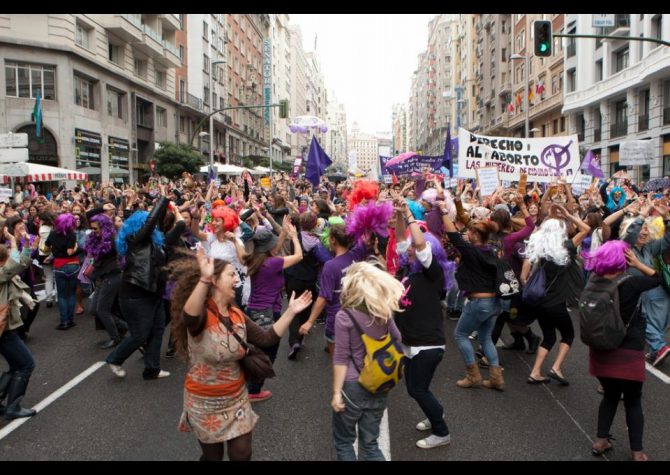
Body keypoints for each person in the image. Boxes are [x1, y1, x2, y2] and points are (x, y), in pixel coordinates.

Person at [169, 248, 312, 461]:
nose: (237, 278)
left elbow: (267, 338)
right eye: (231, 274)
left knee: (243, 453)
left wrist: (290, 312)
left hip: (236, 398)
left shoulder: (237, 314)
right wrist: (204, 280)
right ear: (215, 282)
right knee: (212, 458)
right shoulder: (201, 315)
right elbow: (189, 317)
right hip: (204, 402)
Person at [584, 240, 660, 461]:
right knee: (633, 400)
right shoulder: (631, 283)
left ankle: (601, 440)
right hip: (628, 350)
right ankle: (637, 452)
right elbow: (656, 278)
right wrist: (637, 263)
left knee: (609, 396)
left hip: (600, 349)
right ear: (624, 259)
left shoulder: (592, 281)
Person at [394, 201, 454, 448]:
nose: (409, 248)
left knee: (417, 390)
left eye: (415, 248)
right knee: (418, 388)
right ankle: (435, 413)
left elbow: (419, 244)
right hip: (411, 341)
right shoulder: (410, 270)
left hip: (427, 344)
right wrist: (399, 215)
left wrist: (408, 213)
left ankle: (441, 432)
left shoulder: (434, 274)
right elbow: (401, 239)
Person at [331, 261, 405, 460]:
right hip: (378, 383)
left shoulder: (344, 316)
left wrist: (337, 392)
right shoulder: (383, 311)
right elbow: (397, 338)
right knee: (370, 444)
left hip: (352, 385)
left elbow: (340, 357)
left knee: (344, 442)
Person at [105, 192, 171, 380]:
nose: (152, 227)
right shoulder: (135, 240)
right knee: (140, 335)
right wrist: (163, 199)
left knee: (158, 330)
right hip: (136, 295)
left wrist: (165, 205)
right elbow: (152, 222)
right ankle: (114, 359)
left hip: (153, 293)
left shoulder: (152, 242)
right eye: (147, 224)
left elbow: (158, 221)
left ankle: (152, 369)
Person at [522, 208, 590, 385]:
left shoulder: (540, 250)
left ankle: (535, 372)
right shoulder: (565, 248)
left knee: (549, 337)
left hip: (540, 303)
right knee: (568, 335)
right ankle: (556, 368)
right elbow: (585, 229)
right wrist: (568, 215)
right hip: (556, 304)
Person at [442, 211, 503, 390]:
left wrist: (443, 211)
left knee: (460, 335)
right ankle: (496, 378)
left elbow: (453, 235)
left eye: (470, 233)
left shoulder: (471, 250)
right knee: (485, 338)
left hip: (479, 302)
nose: (467, 235)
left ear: (476, 235)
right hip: (494, 303)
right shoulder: (493, 250)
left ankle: (473, 376)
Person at [243, 224, 303, 401]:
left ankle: (247, 382)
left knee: (254, 349)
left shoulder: (254, 259)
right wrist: (294, 236)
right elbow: (299, 256)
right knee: (268, 351)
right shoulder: (273, 263)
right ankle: (253, 390)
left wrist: (283, 233)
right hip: (267, 312)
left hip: (253, 310)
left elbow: (272, 250)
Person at [0, 228, 40, 419]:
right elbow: (16, 265)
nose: (10, 258)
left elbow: (18, 263)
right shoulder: (2, 274)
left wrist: (26, 245)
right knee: (26, 364)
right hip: (5, 329)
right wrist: (19, 243)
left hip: (6, 329)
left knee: (15, 365)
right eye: (7, 257)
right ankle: (13, 407)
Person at [85, 214, 127, 349]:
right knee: (93, 310)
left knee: (102, 310)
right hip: (102, 277)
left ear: (104, 227)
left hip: (113, 276)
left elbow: (122, 257)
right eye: (92, 229)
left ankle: (116, 338)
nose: (93, 231)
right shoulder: (97, 238)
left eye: (96, 229)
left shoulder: (114, 240)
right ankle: (124, 326)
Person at [46, 213, 81, 330]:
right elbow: (70, 252)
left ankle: (64, 322)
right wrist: (78, 247)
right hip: (72, 265)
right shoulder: (72, 234)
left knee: (62, 295)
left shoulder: (52, 234)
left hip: (59, 266)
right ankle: (70, 320)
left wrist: (53, 249)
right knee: (71, 294)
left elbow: (45, 248)